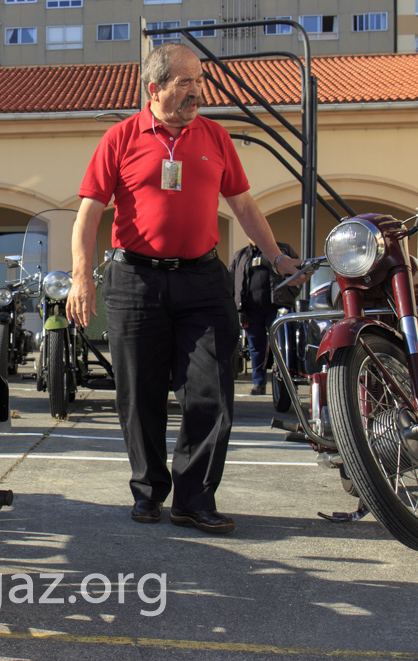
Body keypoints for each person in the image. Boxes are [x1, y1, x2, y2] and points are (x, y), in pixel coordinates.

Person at [66, 43, 304, 534]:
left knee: (211, 390)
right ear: (154, 89)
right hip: (135, 281)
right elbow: (88, 214)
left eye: (200, 81)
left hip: (202, 279)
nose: (198, 91)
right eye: (185, 82)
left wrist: (278, 257)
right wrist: (80, 277)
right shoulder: (120, 137)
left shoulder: (215, 136)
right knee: (140, 393)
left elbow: (243, 206)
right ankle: (148, 490)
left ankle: (194, 499)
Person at [229, 240, 299, 396]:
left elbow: (299, 273)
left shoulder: (282, 250)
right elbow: (231, 281)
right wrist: (238, 308)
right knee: (256, 348)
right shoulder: (240, 256)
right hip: (251, 311)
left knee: (282, 346)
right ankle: (259, 383)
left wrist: (289, 296)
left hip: (277, 308)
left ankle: (285, 384)